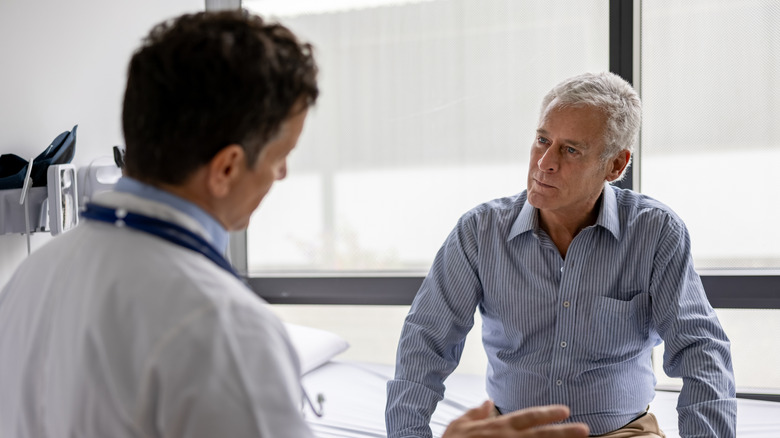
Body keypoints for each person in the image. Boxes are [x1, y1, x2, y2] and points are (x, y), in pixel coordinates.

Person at [0, 10, 589, 438]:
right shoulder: (222, 327)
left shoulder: (31, 277)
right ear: (228, 166)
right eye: (282, 153)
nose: (282, 175)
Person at [386, 72, 737, 438]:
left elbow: (700, 351)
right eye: (542, 140)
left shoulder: (656, 232)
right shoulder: (479, 232)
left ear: (616, 165)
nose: (544, 163)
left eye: (570, 150)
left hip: (621, 432)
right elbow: (425, 343)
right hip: (511, 431)